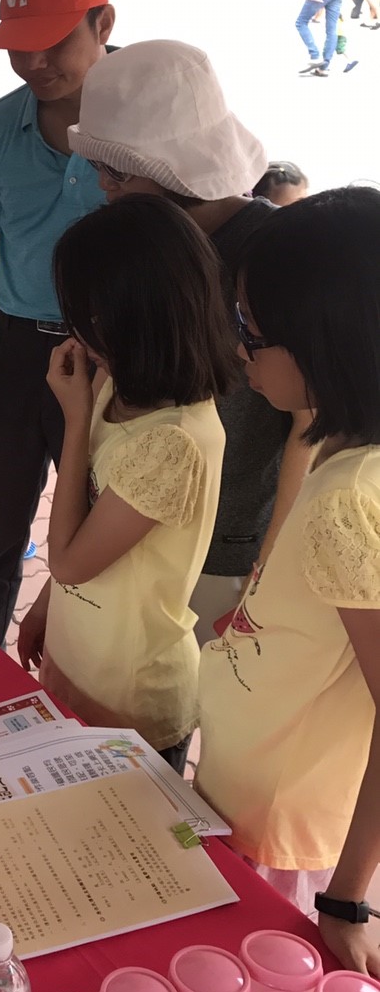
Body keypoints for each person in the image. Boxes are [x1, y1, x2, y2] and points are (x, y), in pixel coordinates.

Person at [60, 39, 310, 647]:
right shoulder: (141, 242)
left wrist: (267, 564)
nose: (102, 184)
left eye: (118, 171)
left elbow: (309, 423)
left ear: (175, 167)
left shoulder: (277, 255)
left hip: (226, 545)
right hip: (124, 510)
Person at [196, 187, 380, 976]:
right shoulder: (344, 451)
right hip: (249, 795)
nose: (240, 352)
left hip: (281, 832)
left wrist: (344, 899)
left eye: (252, 332)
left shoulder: (351, 504)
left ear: (327, 343)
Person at [22, 196, 234, 773]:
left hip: (132, 699)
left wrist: (73, 417)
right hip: (79, 662)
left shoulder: (174, 442)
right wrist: (45, 607)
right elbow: (86, 531)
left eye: (88, 320)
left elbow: (68, 561)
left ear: (135, 320)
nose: (76, 333)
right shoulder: (121, 386)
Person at [0, 0, 112, 642]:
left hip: (118, 359)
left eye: (53, 43)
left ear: (102, 23)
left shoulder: (143, 119)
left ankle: (83, 687)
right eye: (19, 48)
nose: (35, 63)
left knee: (105, 537)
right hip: (16, 348)